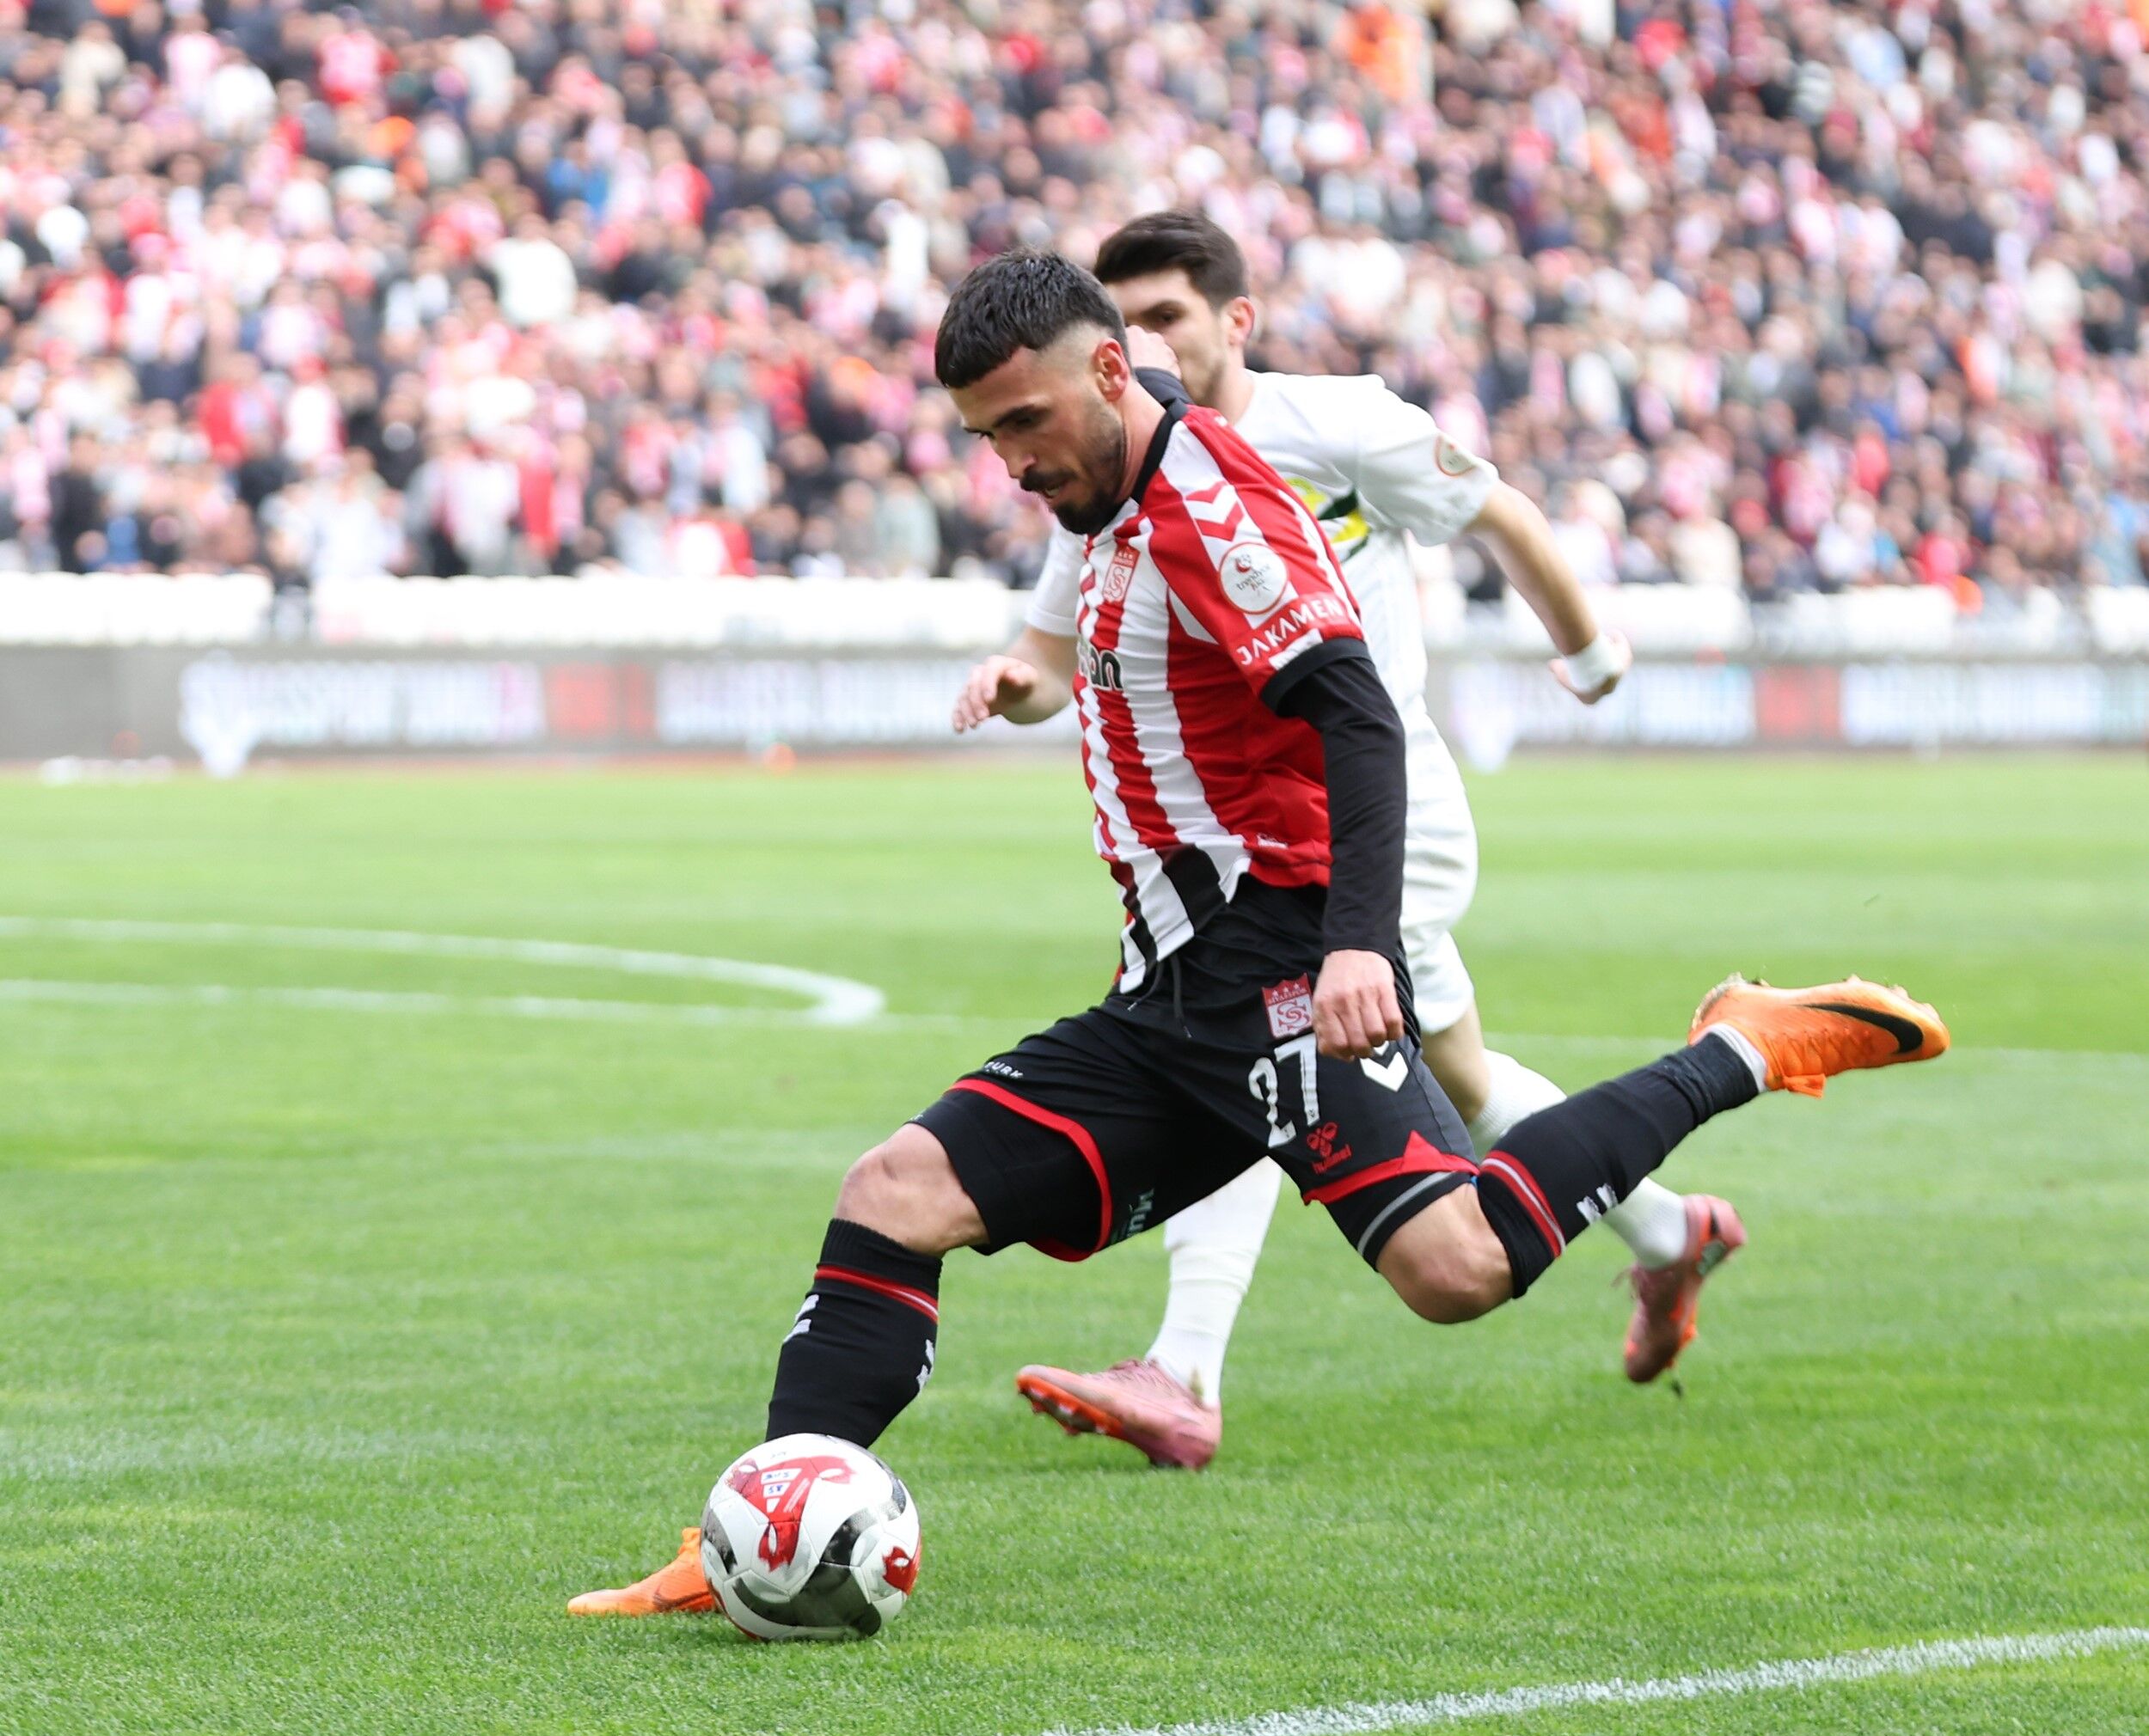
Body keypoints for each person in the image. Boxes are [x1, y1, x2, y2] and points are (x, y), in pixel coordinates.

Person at [566, 249, 1946, 1617]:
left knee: (1456, 1269)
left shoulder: (1211, 508)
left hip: (1277, 964)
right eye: (988, 439)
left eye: (1026, 424)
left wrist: (1358, 945)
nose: (1014, 465)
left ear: (1110, 374)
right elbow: (1100, 561)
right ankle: (755, 1531)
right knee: (894, 1191)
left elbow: (1359, 715)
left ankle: (1739, 1048)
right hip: (1166, 995)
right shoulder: (1108, 473)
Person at [967, 213, 1702, 1473]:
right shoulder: (1099, 468)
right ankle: (1675, 1230)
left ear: (1234, 320)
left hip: (1370, 808)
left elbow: (1498, 512)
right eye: (1125, 320)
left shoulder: (1337, 425)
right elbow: (1050, 653)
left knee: (1250, 1036)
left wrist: (1589, 653)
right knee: (1458, 1077)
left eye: (1167, 317)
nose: (1145, 341)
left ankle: (1185, 1368)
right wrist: (1012, 687)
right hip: (1243, 838)